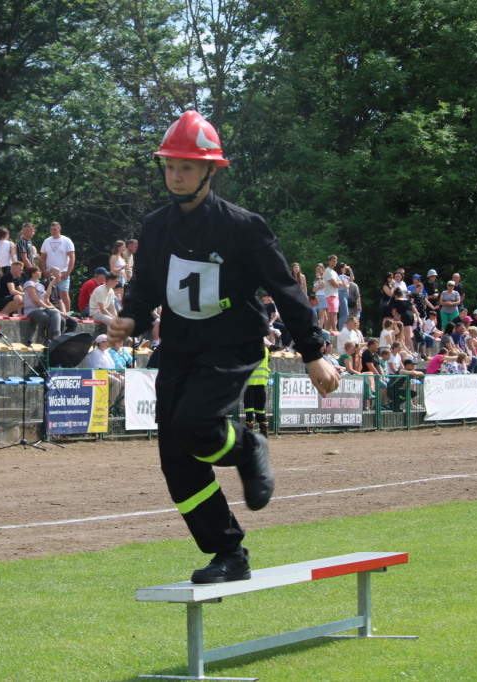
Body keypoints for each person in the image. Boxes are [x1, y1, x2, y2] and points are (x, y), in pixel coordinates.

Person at [109, 110, 340, 584]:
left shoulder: (243, 226)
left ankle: (250, 445)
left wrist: (313, 352)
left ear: (211, 170)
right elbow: (147, 284)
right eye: (170, 166)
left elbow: (286, 289)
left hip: (232, 344)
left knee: (197, 425)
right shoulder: (154, 227)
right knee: (177, 463)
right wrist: (131, 316)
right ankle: (228, 554)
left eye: (187, 167)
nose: (175, 176)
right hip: (178, 346)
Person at [20, 265, 63, 345]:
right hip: (32, 310)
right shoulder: (29, 284)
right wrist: (47, 306)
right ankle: (49, 343)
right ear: (33, 273)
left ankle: (56, 335)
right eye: (38, 271)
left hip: (41, 309)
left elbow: (46, 297)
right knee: (49, 320)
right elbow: (35, 299)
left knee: (56, 313)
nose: (40, 273)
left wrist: (50, 284)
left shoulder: (40, 285)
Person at [40, 221, 76, 312]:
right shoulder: (46, 241)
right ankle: (50, 311)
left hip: (63, 272)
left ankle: (67, 314)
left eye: (55, 229)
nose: (53, 231)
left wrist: (68, 272)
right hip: (50, 272)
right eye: (51, 229)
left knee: (64, 293)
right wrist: (44, 270)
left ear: (59, 229)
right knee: (48, 293)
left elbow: (72, 257)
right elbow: (43, 258)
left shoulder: (66, 240)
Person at [243, 345, 271, 437]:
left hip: (249, 382)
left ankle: (249, 430)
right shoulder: (266, 350)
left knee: (249, 407)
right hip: (261, 382)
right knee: (260, 408)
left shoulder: (247, 348)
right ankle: (264, 431)